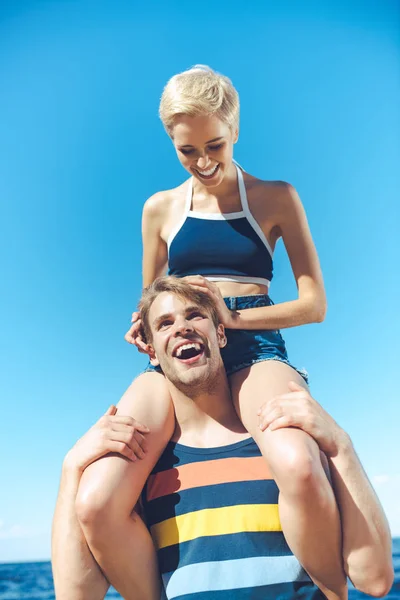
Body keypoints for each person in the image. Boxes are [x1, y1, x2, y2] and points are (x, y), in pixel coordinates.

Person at [74, 65, 367, 596]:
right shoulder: (159, 209)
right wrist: (141, 326)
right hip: (180, 352)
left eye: (215, 145)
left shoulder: (277, 196)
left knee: (296, 463)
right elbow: (150, 298)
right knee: (98, 491)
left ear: (235, 131)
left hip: (255, 346)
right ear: (172, 143)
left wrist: (232, 319)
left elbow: (314, 304)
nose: (204, 162)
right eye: (188, 151)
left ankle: (331, 591)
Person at [52, 277, 394, 600]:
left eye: (194, 315)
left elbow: (375, 579)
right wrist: (71, 470)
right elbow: (76, 595)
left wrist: (340, 445)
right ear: (152, 354)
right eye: (165, 323)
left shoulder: (281, 438)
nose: (182, 327)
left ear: (221, 335)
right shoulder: (148, 470)